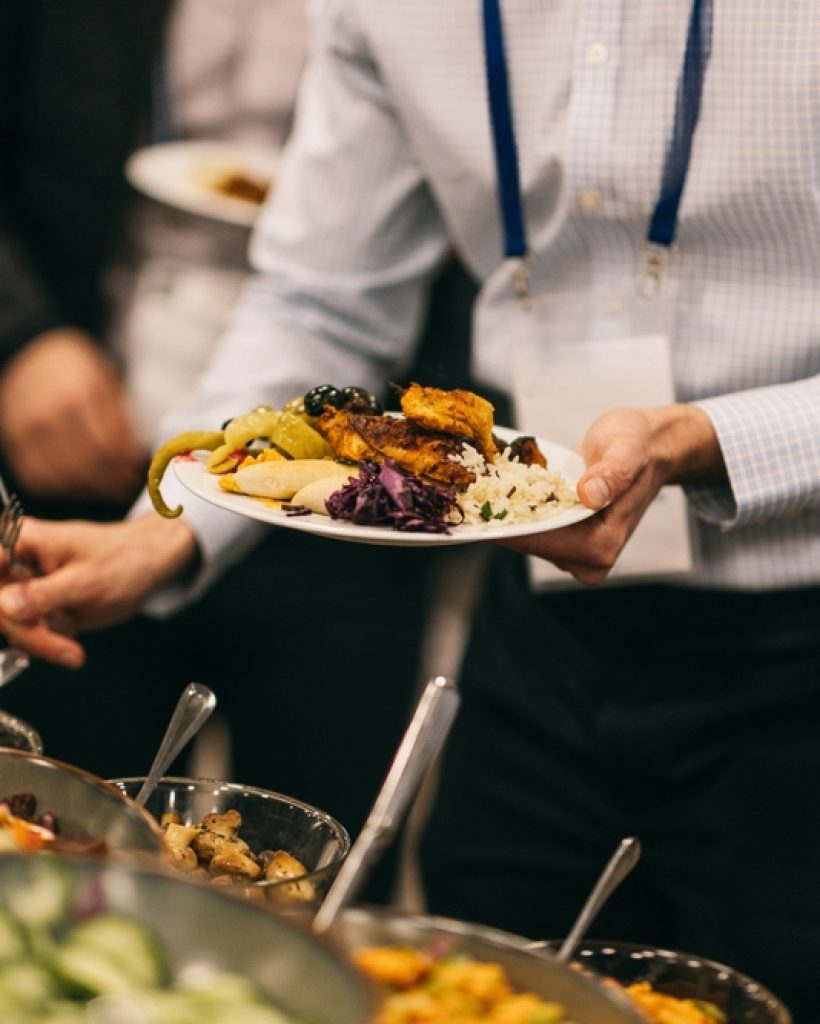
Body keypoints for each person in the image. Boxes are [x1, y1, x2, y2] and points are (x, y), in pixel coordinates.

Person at [1, 3, 818, 1015]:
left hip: (799, 637)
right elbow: (322, 299)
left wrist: (708, 439)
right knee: (469, 983)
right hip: (542, 626)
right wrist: (168, 530)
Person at [0, 0, 457, 902]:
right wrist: (17, 335)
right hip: (82, 455)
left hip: (356, 492)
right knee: (63, 854)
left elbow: (345, 292)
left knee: (320, 882)